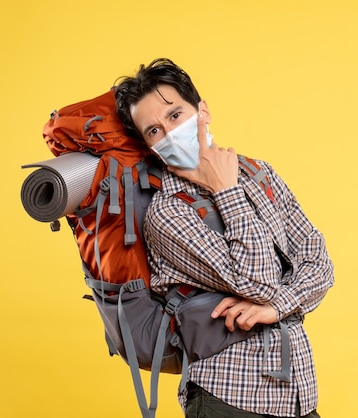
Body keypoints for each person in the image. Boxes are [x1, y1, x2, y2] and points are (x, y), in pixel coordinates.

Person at [115, 58, 334, 418]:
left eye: (175, 116)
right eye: (153, 131)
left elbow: (320, 264)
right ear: (148, 145)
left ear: (203, 111)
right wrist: (225, 190)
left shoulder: (258, 172)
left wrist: (277, 307)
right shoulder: (167, 213)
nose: (168, 134)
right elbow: (257, 282)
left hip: (299, 393)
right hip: (230, 397)